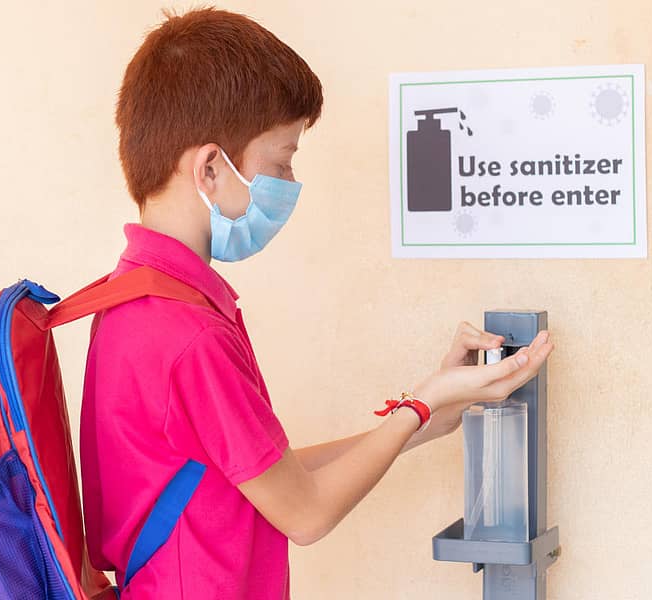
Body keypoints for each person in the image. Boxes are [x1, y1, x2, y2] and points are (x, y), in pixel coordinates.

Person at [79, 7, 555, 599]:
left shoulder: (137, 301)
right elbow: (304, 514)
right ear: (209, 168)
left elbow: (272, 475)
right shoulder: (187, 333)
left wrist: (430, 415)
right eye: (280, 163)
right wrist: (423, 406)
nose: (289, 182)